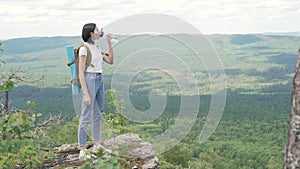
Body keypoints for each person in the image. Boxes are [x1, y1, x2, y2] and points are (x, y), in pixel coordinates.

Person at [77, 23, 113, 159]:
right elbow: (81, 73)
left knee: (98, 113)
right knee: (85, 114)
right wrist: (86, 94)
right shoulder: (84, 49)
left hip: (99, 78)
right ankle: (82, 148)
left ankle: (96, 144)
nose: (99, 31)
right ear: (91, 33)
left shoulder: (97, 47)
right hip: (90, 79)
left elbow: (110, 60)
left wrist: (110, 43)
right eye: (97, 30)